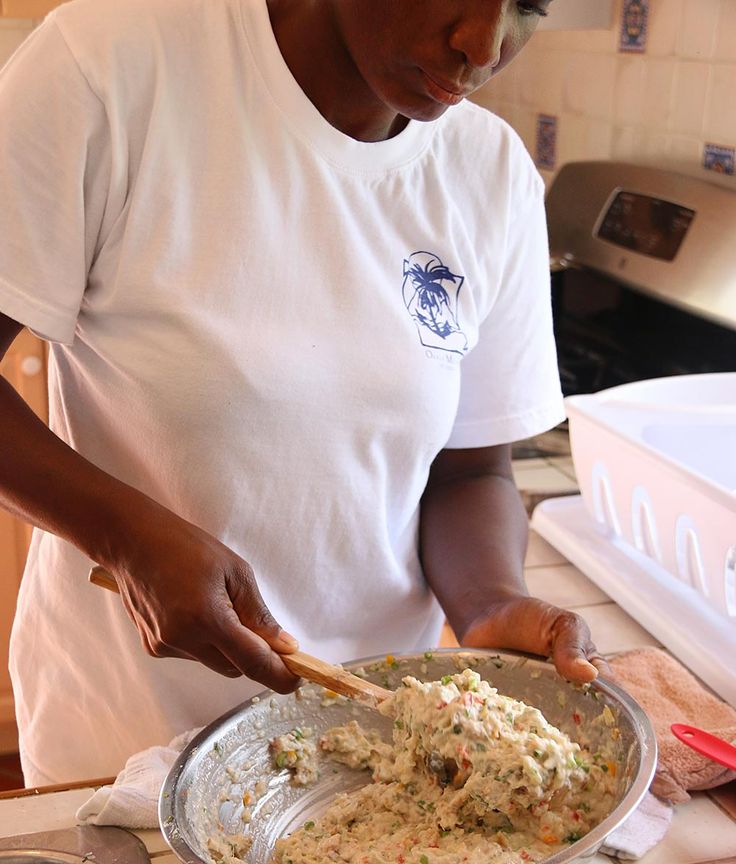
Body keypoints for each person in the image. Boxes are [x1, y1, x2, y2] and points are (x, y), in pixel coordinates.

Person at [0, 0, 601, 788]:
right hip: (131, 748)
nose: (482, 45)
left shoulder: (490, 172)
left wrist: (487, 605)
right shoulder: (108, 66)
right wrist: (124, 536)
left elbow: (471, 472)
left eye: (526, 5)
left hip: (380, 751)